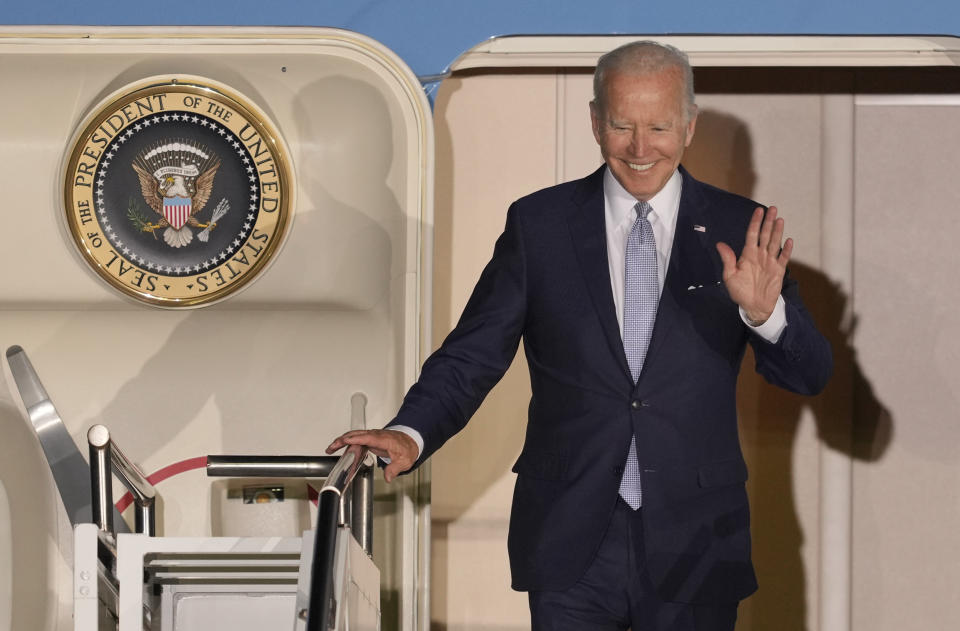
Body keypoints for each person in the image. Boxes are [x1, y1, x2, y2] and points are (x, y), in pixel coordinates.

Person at [327, 40, 832, 631]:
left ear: (689, 127)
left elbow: (810, 373)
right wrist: (410, 432)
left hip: (697, 541)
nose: (641, 149)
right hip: (571, 540)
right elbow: (475, 350)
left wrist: (764, 316)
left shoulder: (739, 229)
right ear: (595, 122)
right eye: (622, 125)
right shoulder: (540, 225)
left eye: (660, 127)